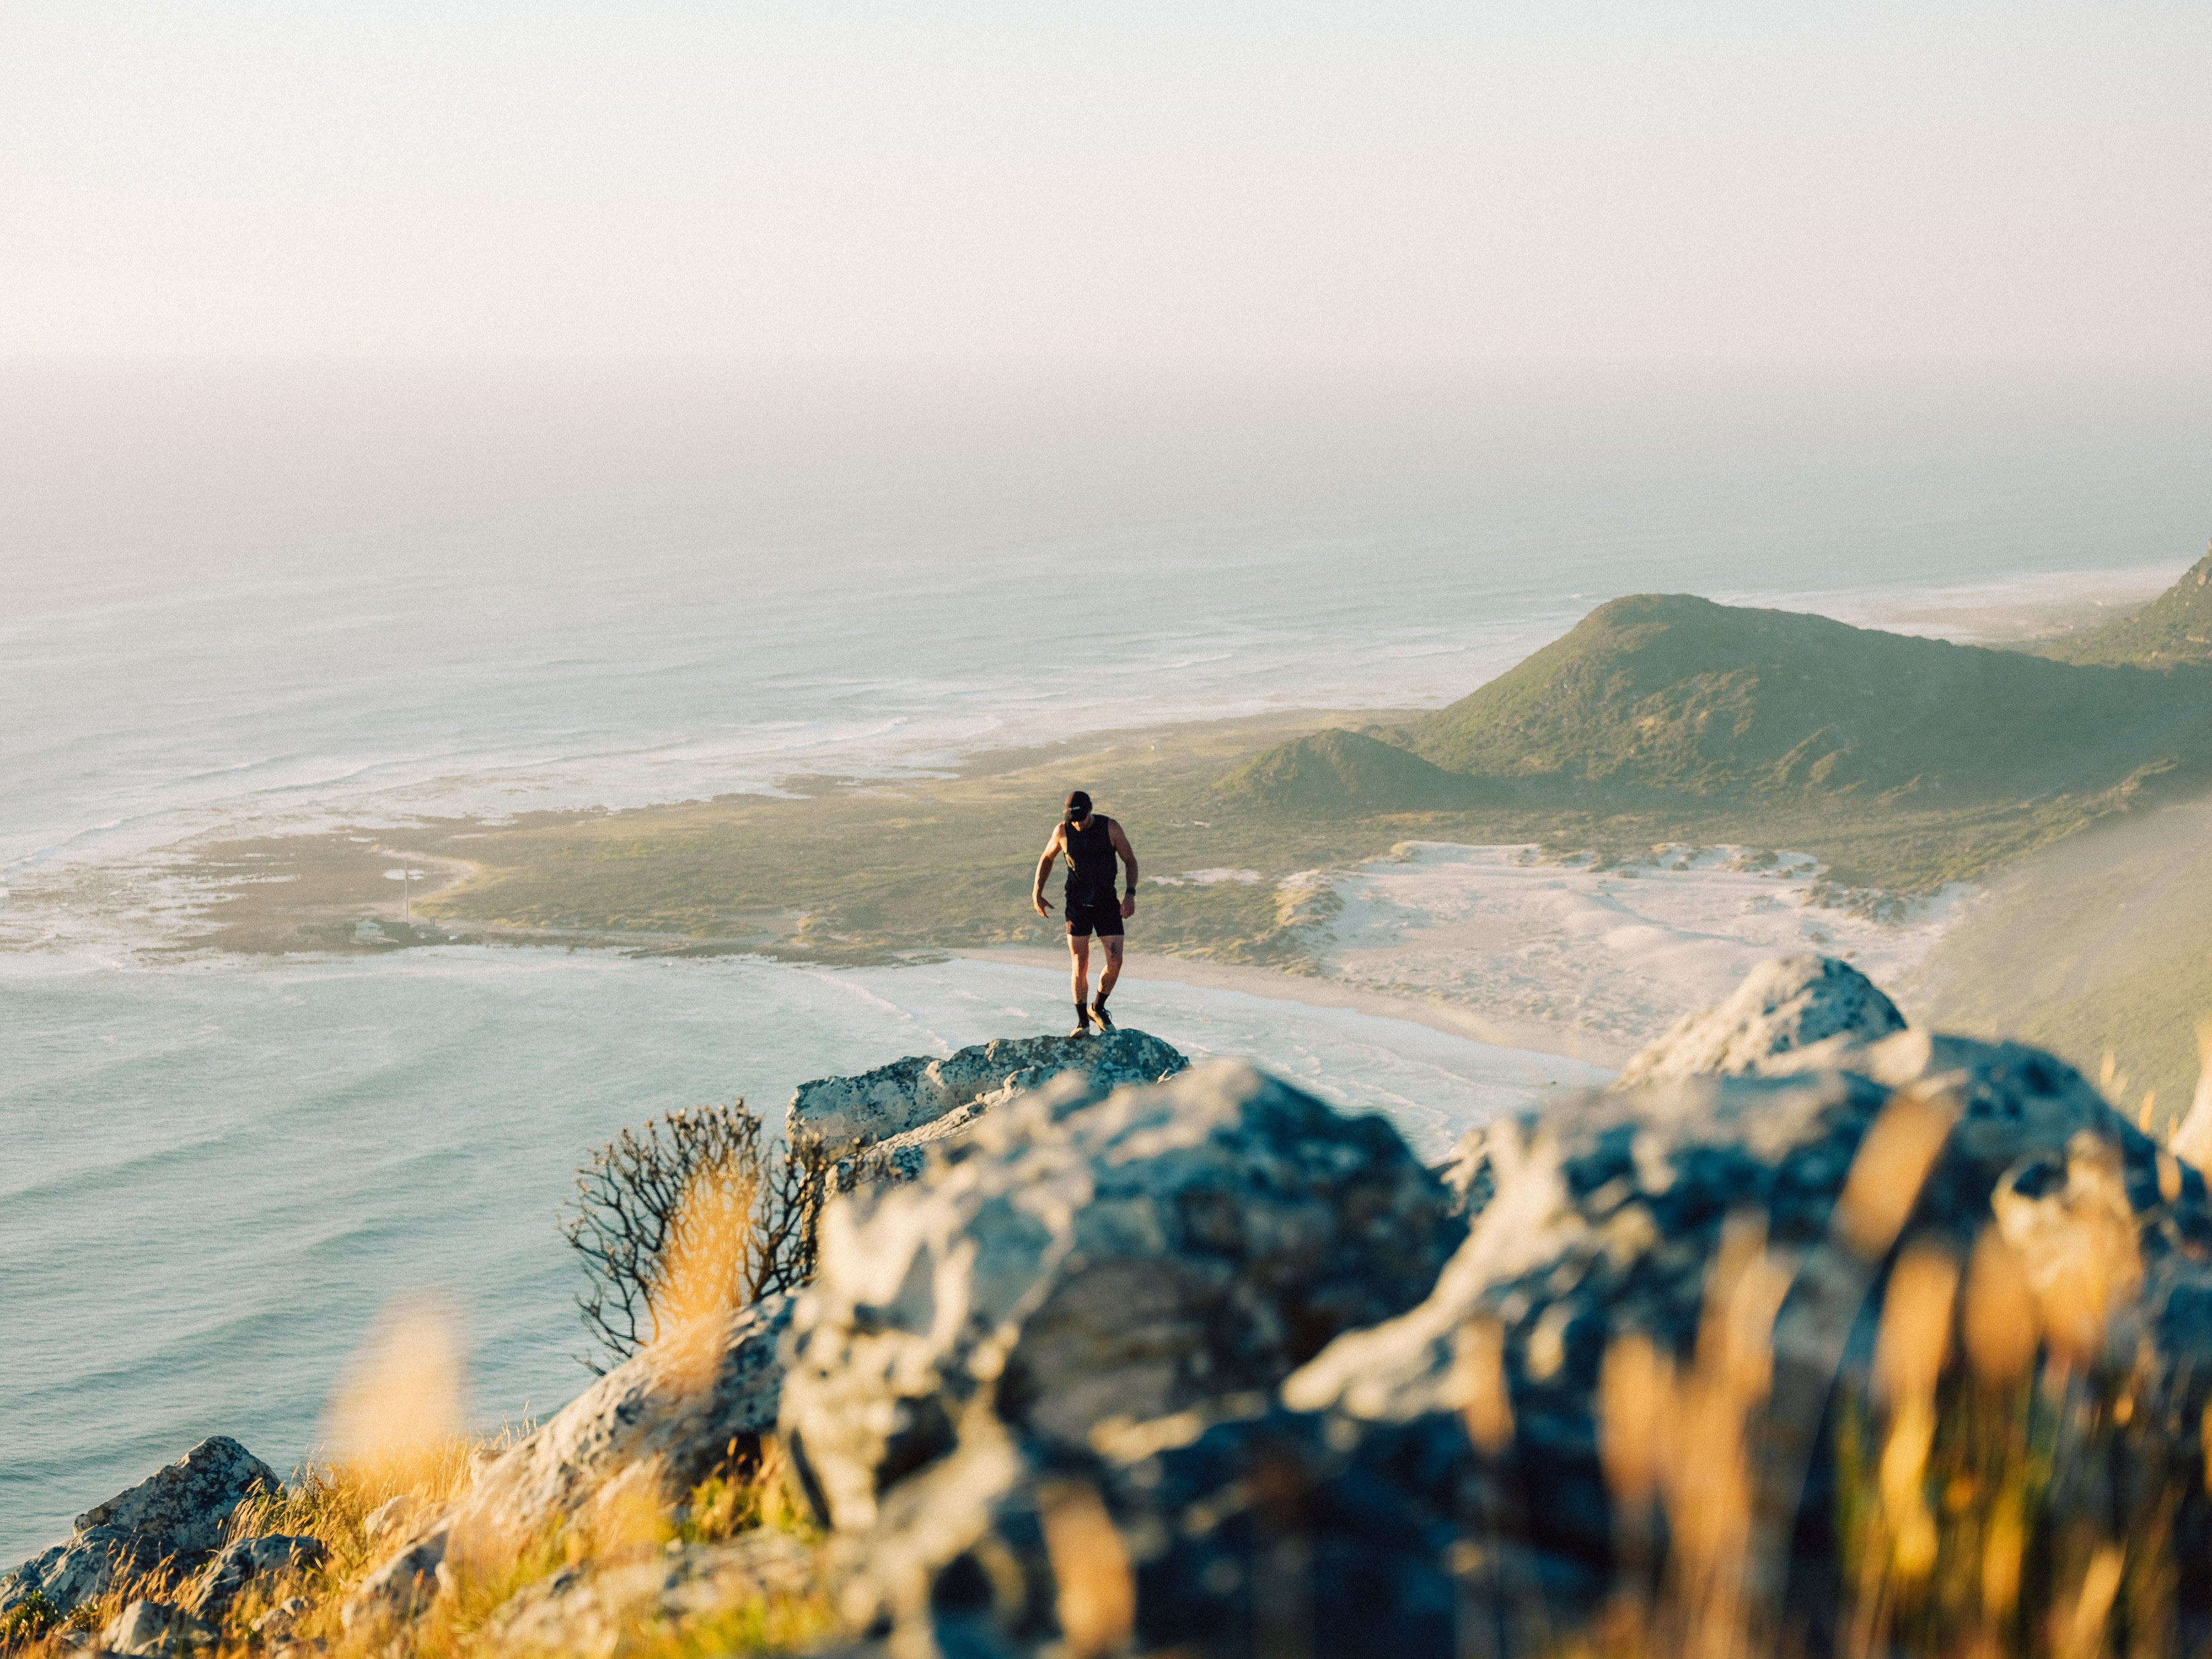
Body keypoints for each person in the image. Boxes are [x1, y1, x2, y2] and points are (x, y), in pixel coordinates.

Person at [1032, 790, 1139, 1038]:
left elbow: (1130, 861)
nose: (1077, 824)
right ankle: (1082, 1023)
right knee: (1080, 963)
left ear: (1090, 810)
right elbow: (1047, 858)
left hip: (1106, 903)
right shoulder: (1062, 831)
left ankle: (1097, 1008)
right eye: (1073, 820)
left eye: (1081, 819)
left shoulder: (1110, 828)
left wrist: (1130, 894)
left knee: (1115, 961)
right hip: (1077, 905)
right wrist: (1037, 892)